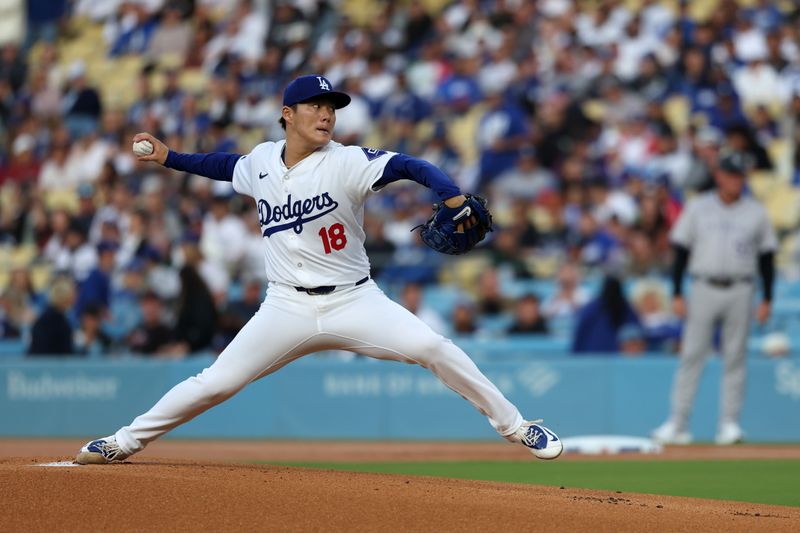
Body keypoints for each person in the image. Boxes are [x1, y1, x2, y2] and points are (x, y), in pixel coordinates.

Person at [76, 74, 562, 464]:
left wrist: (451, 196)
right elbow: (223, 165)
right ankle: (124, 441)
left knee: (433, 347)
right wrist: (169, 158)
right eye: (314, 105)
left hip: (355, 300)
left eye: (331, 106)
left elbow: (412, 165)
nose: (326, 113)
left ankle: (518, 426)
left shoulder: (347, 162)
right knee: (216, 383)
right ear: (287, 115)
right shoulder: (262, 160)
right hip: (285, 305)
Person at [652, 150, 777, 446]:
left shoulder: (755, 211)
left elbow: (767, 257)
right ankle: (678, 423)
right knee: (691, 355)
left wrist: (768, 298)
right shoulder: (698, 207)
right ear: (719, 175)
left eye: (740, 176)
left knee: (735, 357)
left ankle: (729, 424)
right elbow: (681, 251)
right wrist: (677, 292)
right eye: (731, 174)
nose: (736, 180)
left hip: (741, 287)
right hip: (704, 286)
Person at [571, 275, 642, 354]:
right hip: (593, 357)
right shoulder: (592, 309)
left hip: (614, 358)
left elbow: (638, 338)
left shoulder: (628, 310)